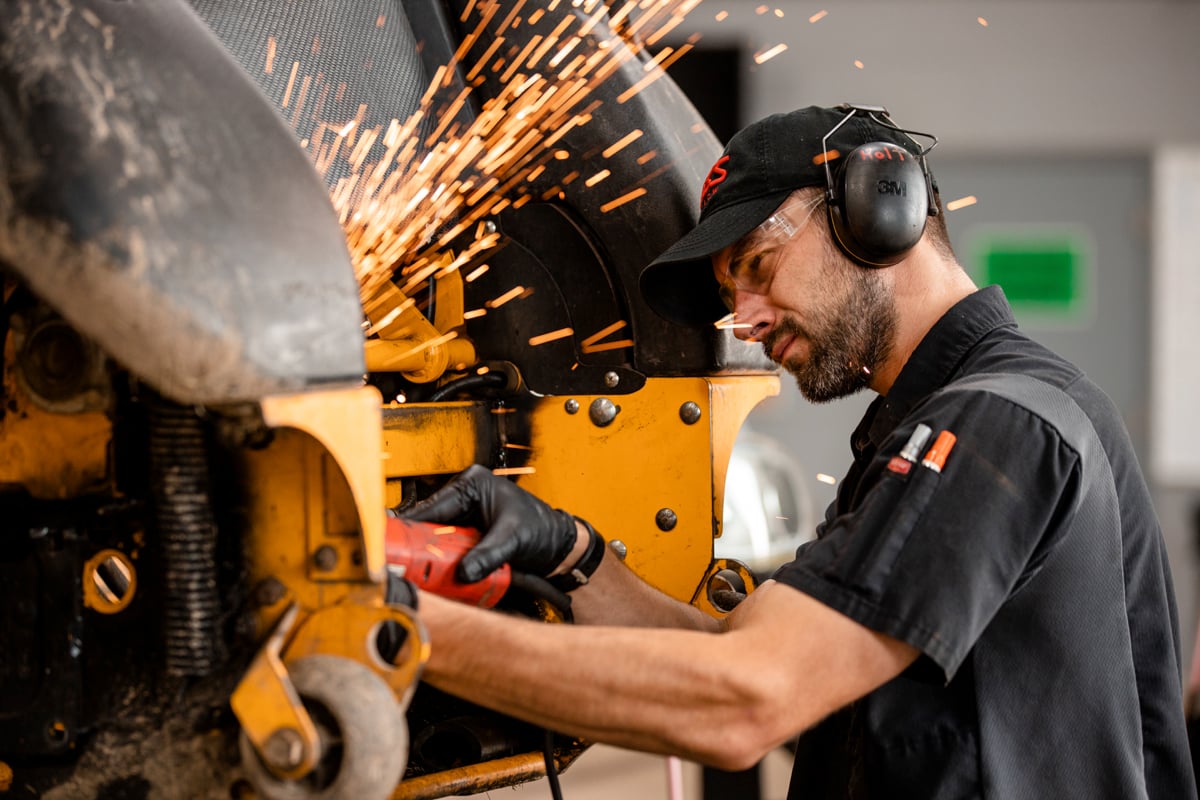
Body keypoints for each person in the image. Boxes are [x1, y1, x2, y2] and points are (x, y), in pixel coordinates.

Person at [402, 104, 1197, 798]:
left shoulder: (995, 426)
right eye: (728, 296)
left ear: (879, 209)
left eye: (755, 266)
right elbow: (745, 653)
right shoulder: (929, 427)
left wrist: (394, 628)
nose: (742, 321)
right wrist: (572, 554)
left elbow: (747, 700)